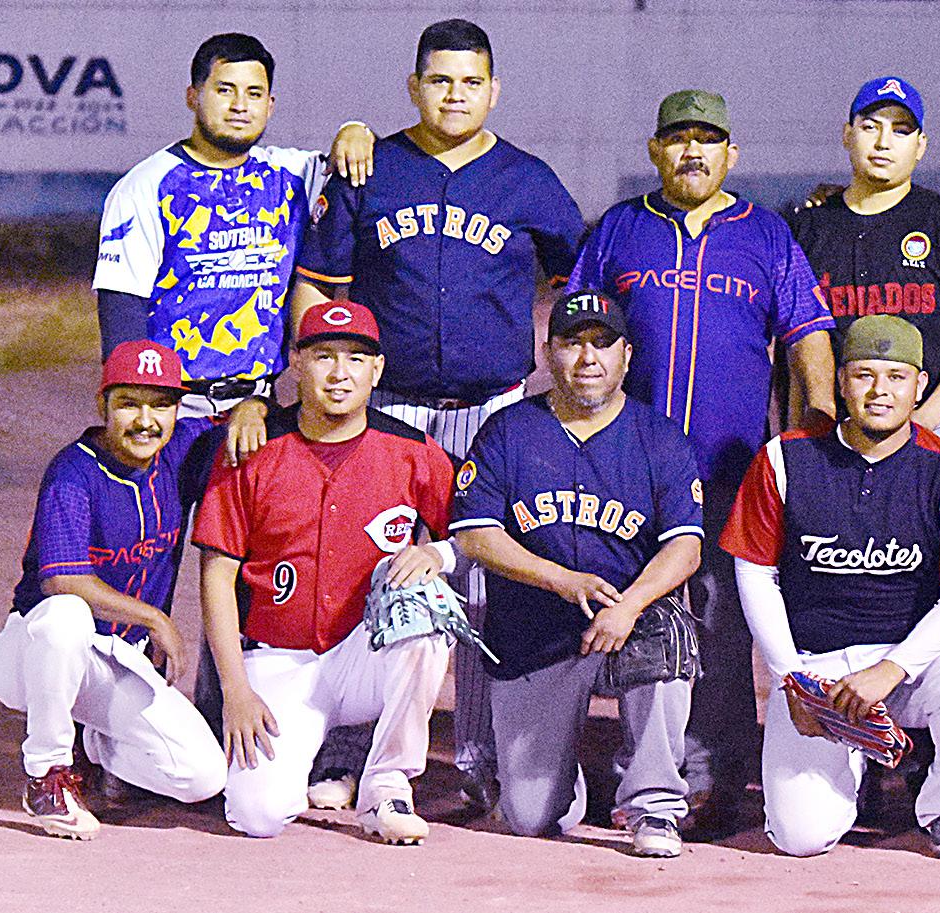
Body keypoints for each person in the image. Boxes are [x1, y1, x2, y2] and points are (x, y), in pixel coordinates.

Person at [292, 17, 586, 811]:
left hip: (490, 410)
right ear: (414, 86)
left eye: (471, 82)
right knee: (369, 567)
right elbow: (317, 278)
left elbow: (579, 281)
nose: (455, 95)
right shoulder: (370, 167)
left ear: (494, 90)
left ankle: (477, 755)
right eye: (440, 80)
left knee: (482, 575)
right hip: (385, 408)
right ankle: (350, 750)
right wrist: (320, 377)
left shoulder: (528, 180)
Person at [567, 88, 836, 826]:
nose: (693, 151)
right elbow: (575, 333)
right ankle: (623, 764)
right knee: (624, 607)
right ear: (656, 151)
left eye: (708, 139)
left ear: (731, 154)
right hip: (626, 467)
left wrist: (816, 434)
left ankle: (719, 774)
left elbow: (808, 334)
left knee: (721, 621)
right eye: (679, 138)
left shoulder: (766, 234)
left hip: (728, 467)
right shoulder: (621, 228)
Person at [719, 315, 940, 858]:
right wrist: (792, 680)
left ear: (920, 385)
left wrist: (890, 669)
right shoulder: (785, 458)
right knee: (802, 837)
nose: (880, 391)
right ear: (841, 382)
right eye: (864, 375)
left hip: (908, 666)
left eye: (896, 377)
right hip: (817, 667)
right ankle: (858, 762)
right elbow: (754, 574)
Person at [450, 290, 703, 856]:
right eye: (572, 343)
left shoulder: (659, 437)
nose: (588, 358)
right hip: (534, 626)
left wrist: (629, 605)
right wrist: (561, 579)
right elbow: (475, 535)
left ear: (627, 356)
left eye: (603, 343)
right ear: (548, 352)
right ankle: (570, 775)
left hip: (628, 620)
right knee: (530, 817)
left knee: (667, 634)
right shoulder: (508, 431)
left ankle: (654, 805)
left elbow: (685, 549)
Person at [194, 301, 458, 843]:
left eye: (356, 359)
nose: (340, 373)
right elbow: (216, 576)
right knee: (258, 816)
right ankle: (312, 763)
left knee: (427, 614)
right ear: (296, 362)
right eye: (324, 357)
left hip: (367, 655)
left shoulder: (413, 452)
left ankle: (386, 786)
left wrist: (441, 555)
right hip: (278, 659)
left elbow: (474, 531)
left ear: (376, 370)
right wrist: (235, 690)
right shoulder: (253, 450)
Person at [0, 342, 227, 840]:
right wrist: (155, 618)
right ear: (103, 405)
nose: (146, 420)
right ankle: (47, 774)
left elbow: (237, 421)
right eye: (129, 404)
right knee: (67, 615)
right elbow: (63, 580)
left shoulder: (181, 449)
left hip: (112, 663)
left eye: (160, 404)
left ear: (178, 409)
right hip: (32, 654)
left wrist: (251, 410)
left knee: (202, 776)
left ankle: (99, 745)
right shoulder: (72, 472)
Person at [95, 32, 372, 427]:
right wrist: (137, 410)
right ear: (193, 96)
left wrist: (357, 130)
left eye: (254, 94)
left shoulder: (293, 175)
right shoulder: (146, 186)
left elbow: (358, 165)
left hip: (260, 411)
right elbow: (123, 315)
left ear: (270, 105)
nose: (240, 105)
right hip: (171, 412)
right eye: (225, 90)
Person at [786, 76, 940, 450]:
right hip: (831, 426)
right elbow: (796, 340)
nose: (883, 142)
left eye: (901, 130)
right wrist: (805, 425)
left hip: (930, 421)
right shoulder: (809, 228)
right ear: (847, 134)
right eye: (870, 127)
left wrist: (928, 418)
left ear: (920, 146)